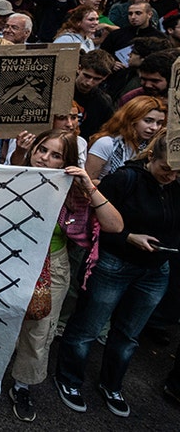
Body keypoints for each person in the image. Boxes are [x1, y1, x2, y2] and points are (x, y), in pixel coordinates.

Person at [54, 132, 177, 418]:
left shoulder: (176, 186)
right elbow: (95, 226)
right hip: (114, 264)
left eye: (177, 171)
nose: (170, 176)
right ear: (151, 158)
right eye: (165, 169)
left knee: (128, 334)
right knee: (88, 326)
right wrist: (128, 238)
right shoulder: (125, 179)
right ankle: (69, 379)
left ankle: (112, 384)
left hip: (155, 270)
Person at [7, 130, 122, 422]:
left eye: (55, 154)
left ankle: (22, 386)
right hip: (7, 260)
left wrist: (88, 186)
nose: (45, 158)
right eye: (41, 149)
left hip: (51, 266)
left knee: (40, 328)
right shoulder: (15, 177)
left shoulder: (74, 191)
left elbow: (115, 225)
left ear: (66, 162)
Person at [86, 95, 166, 181]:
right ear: (131, 119)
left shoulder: (154, 147)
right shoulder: (107, 143)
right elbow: (87, 181)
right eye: (148, 121)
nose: (154, 127)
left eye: (159, 123)